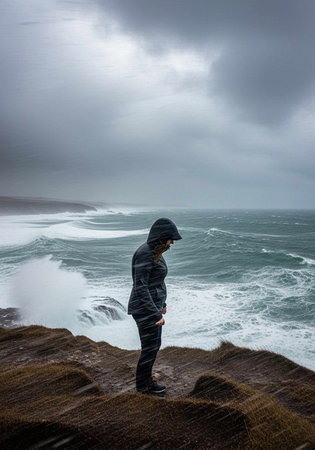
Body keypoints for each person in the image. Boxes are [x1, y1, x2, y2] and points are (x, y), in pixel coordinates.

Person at [128, 217, 182, 394]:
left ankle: (147, 382)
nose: (172, 242)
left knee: (153, 346)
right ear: (161, 237)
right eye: (170, 238)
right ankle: (142, 387)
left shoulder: (155, 252)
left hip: (152, 306)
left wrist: (162, 304)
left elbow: (157, 281)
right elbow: (140, 287)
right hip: (144, 308)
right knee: (149, 348)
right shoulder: (145, 253)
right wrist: (155, 314)